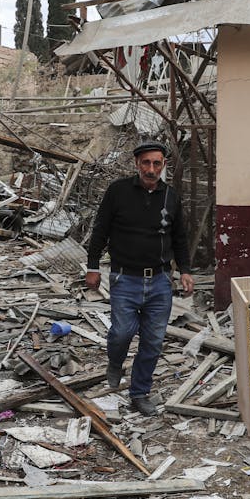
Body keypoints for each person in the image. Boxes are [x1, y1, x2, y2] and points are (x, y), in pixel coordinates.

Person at [86, 141, 194, 416]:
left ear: (163, 166)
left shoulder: (171, 196)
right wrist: (93, 266)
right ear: (136, 164)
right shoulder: (118, 192)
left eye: (157, 163)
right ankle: (115, 361)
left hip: (159, 281)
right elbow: (100, 230)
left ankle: (139, 392)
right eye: (146, 163)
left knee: (153, 341)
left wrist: (185, 270)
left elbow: (179, 237)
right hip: (125, 279)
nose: (151, 169)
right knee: (122, 333)